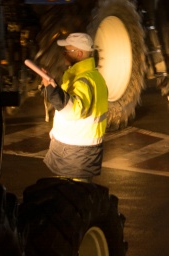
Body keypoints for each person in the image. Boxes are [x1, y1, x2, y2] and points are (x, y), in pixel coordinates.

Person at [24, 33, 108, 182]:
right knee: (76, 195)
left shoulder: (83, 81)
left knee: (73, 196)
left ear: (79, 53)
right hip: (81, 150)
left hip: (76, 152)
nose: (63, 54)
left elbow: (72, 111)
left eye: (67, 51)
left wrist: (51, 89)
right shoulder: (93, 77)